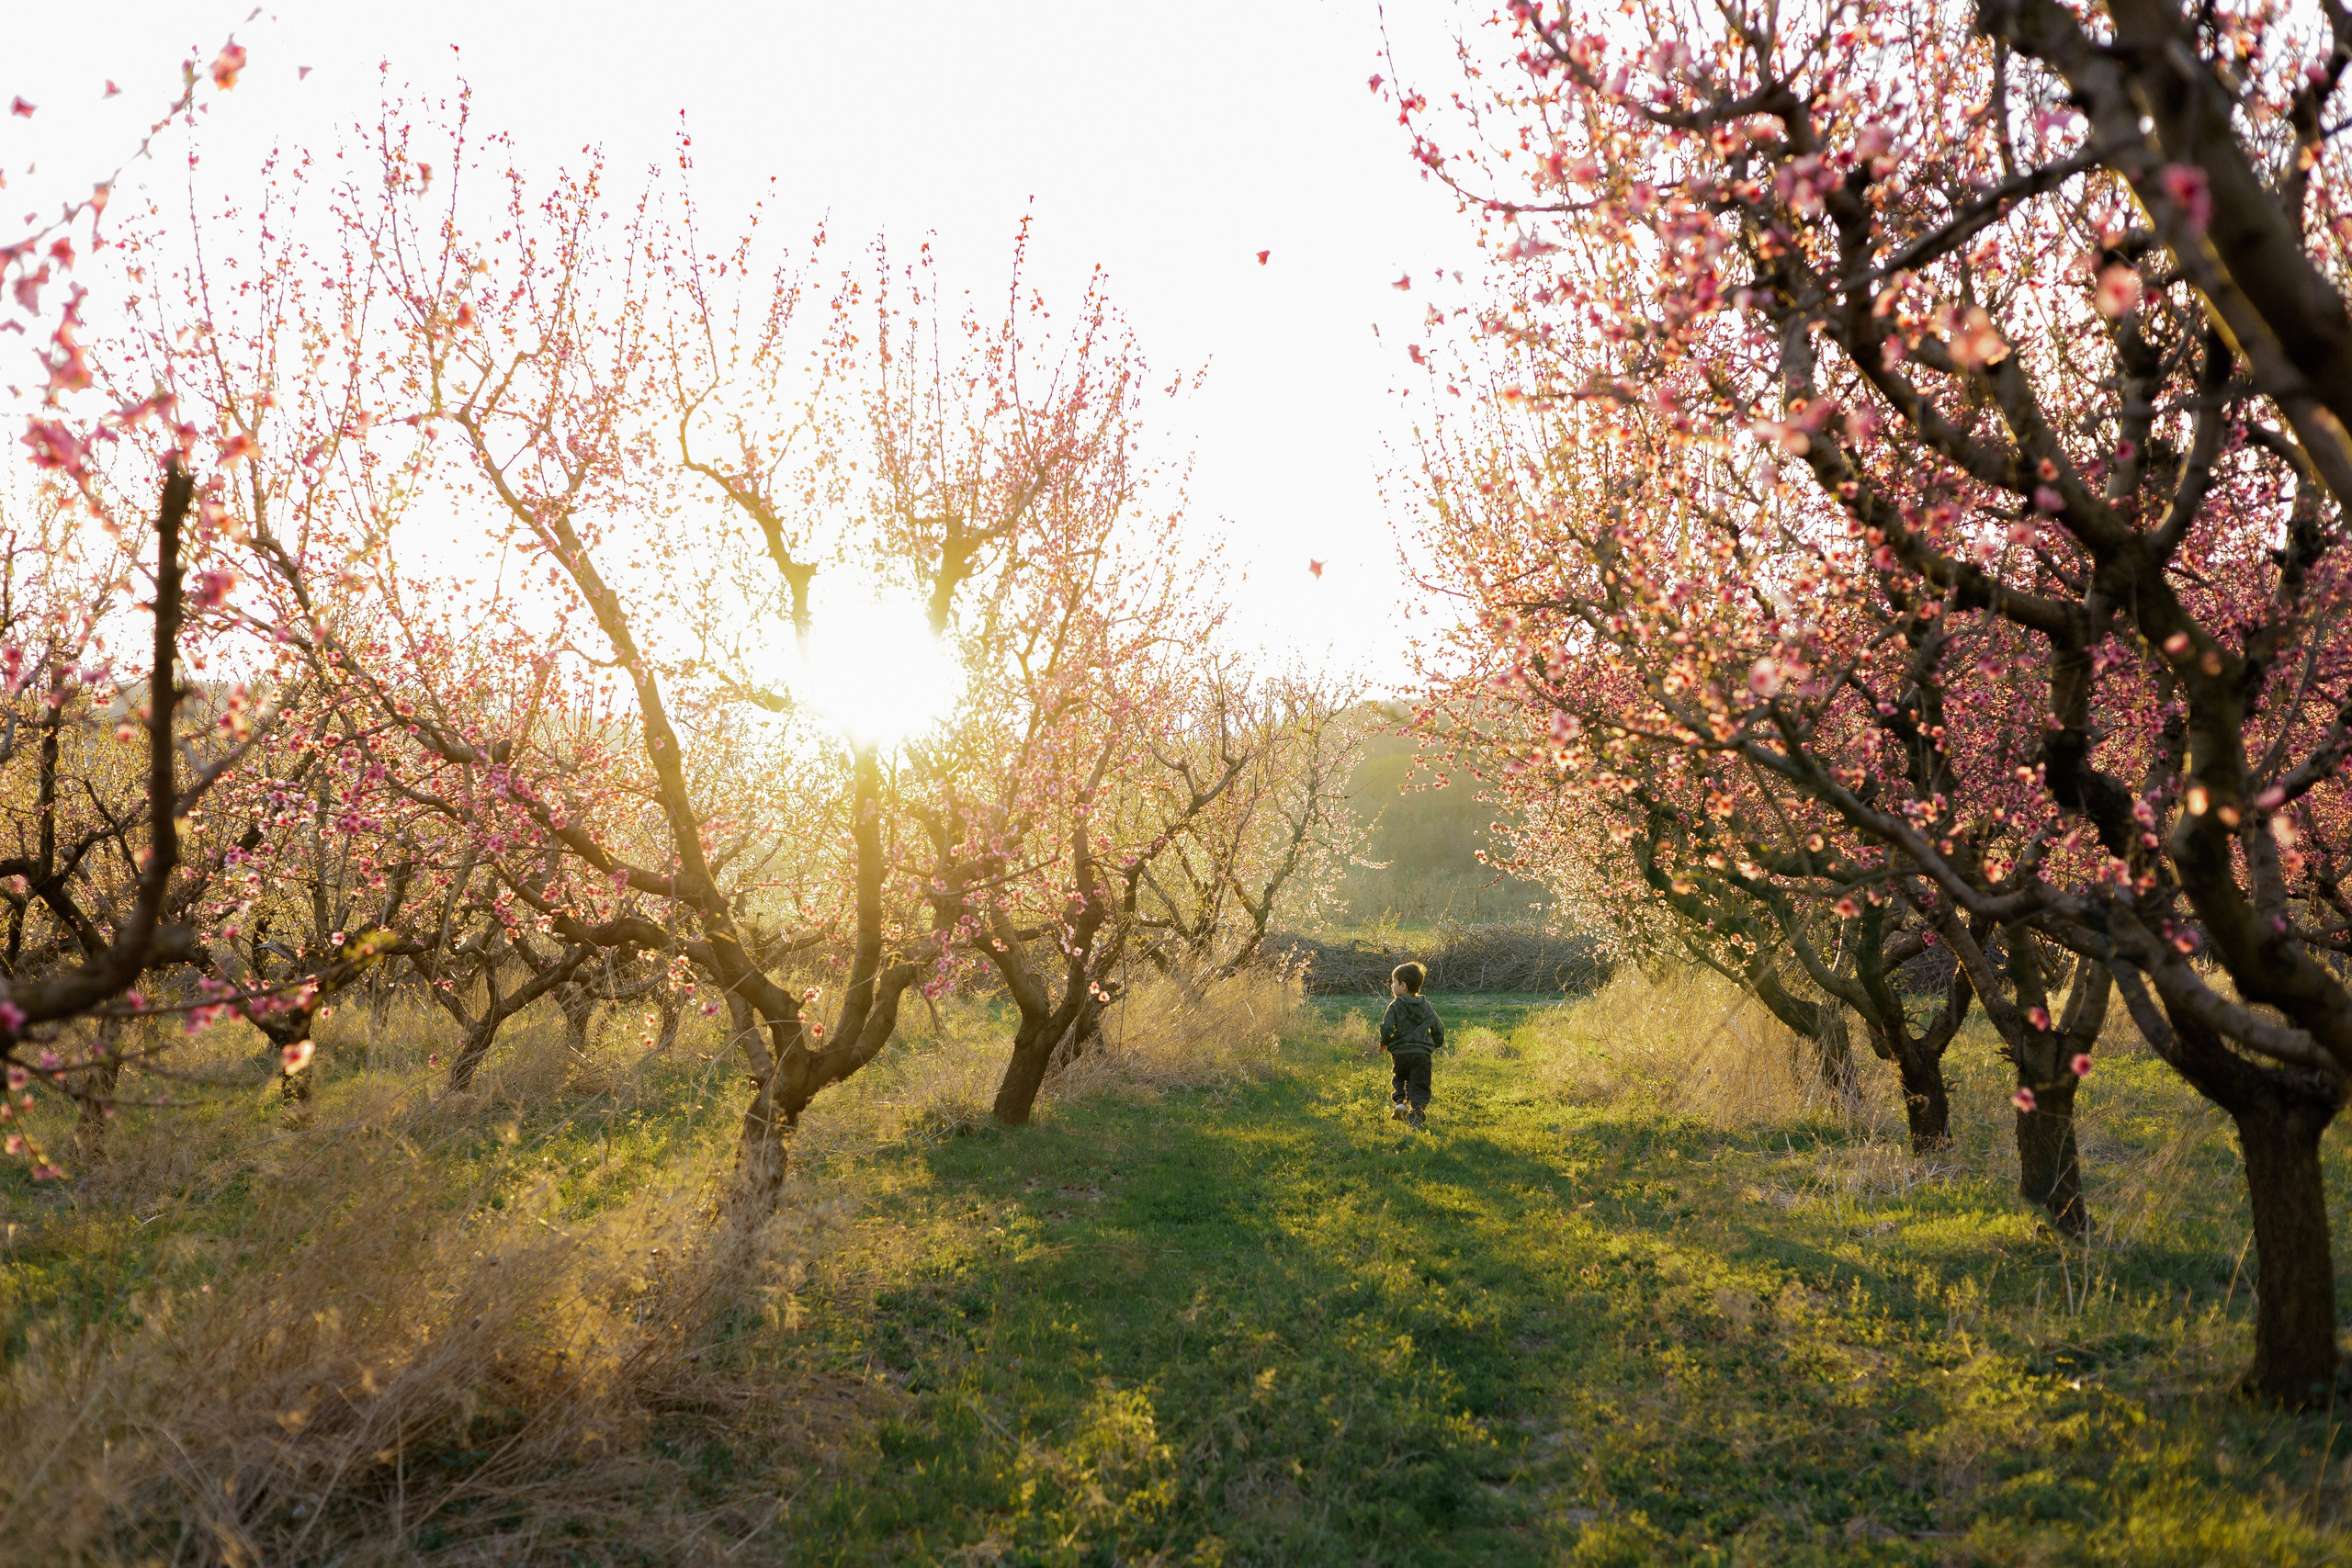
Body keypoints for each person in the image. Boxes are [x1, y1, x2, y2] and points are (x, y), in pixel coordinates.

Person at [1377, 961, 1445, 1129]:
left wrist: (1386, 1041)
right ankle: (1417, 1113)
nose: (1392, 986)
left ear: (1403, 986)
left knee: (1399, 1077)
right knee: (1420, 1083)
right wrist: (1436, 1044)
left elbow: (1386, 1027)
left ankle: (1400, 1102)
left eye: (1394, 982)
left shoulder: (1395, 1005)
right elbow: (1438, 1027)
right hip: (1422, 1054)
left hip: (1400, 1053)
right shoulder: (1425, 1006)